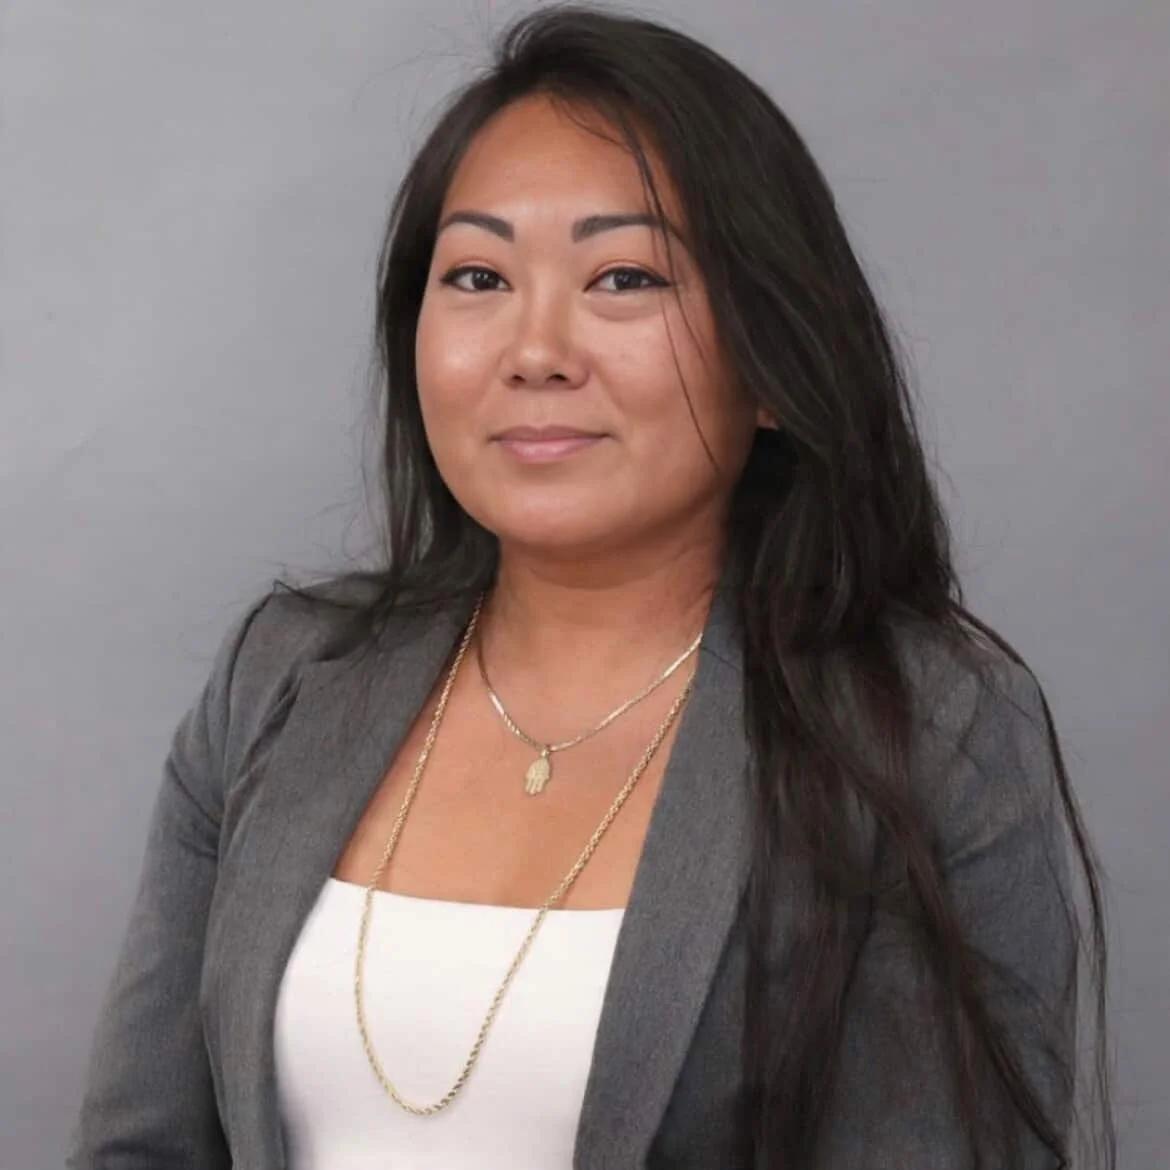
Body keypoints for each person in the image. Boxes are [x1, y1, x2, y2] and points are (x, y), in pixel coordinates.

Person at [67, 4, 1115, 1168]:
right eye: (477, 276)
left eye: (623, 276)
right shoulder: (281, 679)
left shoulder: (922, 731)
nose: (535, 348)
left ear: (771, 362)